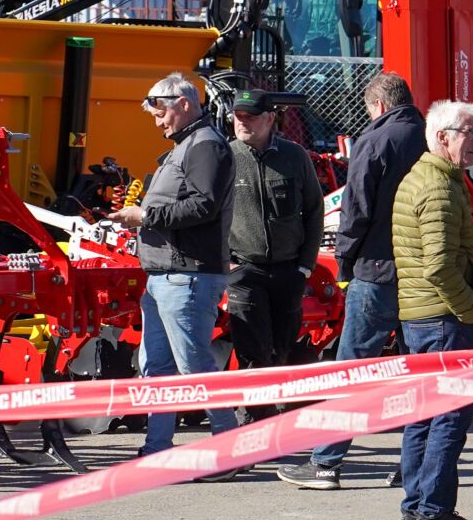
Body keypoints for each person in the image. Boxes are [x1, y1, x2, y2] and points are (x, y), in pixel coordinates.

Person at [279, 73, 422, 492]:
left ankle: (326, 462)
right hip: (423, 275)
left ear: (377, 105)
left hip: (376, 271)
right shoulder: (431, 137)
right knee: (418, 370)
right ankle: (416, 466)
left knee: (352, 370)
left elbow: (355, 209)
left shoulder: (375, 141)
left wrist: (344, 263)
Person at [111, 73, 240, 456]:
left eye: (161, 112)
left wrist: (145, 216)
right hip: (168, 275)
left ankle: (231, 449)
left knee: (194, 366)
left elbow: (204, 205)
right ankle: (157, 446)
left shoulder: (204, 146)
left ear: (183, 103)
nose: (158, 122)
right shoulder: (191, 145)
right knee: (158, 368)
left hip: (186, 275)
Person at [389, 100, 473, 520]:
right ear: (443, 137)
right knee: (449, 417)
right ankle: (433, 511)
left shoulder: (429, 178)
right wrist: (472, 307)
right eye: (472, 133)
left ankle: (416, 509)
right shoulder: (438, 187)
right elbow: (438, 266)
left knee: (424, 416)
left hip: (423, 316)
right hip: (444, 318)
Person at [222, 90, 324, 393]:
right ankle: (254, 415)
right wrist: (227, 263)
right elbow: (211, 214)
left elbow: (314, 210)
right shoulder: (225, 158)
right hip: (244, 271)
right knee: (252, 350)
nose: (242, 123)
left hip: (288, 271)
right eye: (238, 117)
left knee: (282, 347)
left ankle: (282, 417)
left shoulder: (294, 157)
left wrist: (304, 266)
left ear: (269, 119)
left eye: (250, 117)